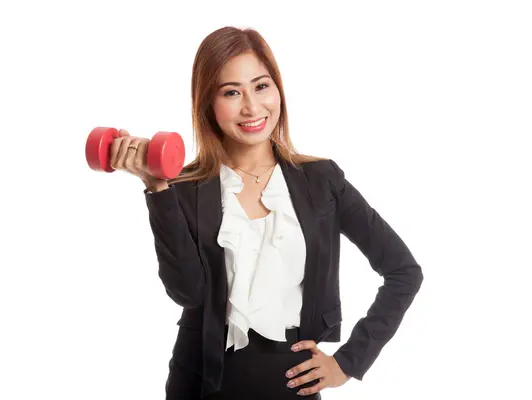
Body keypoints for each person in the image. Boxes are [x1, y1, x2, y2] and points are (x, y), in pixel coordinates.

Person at [108, 26, 424, 400]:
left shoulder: (322, 180)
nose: (251, 107)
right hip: (199, 385)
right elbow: (188, 292)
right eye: (231, 92)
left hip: (292, 385)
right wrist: (157, 188)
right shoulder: (183, 187)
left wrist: (348, 362)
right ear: (208, 104)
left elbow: (404, 271)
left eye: (261, 86)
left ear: (278, 91)